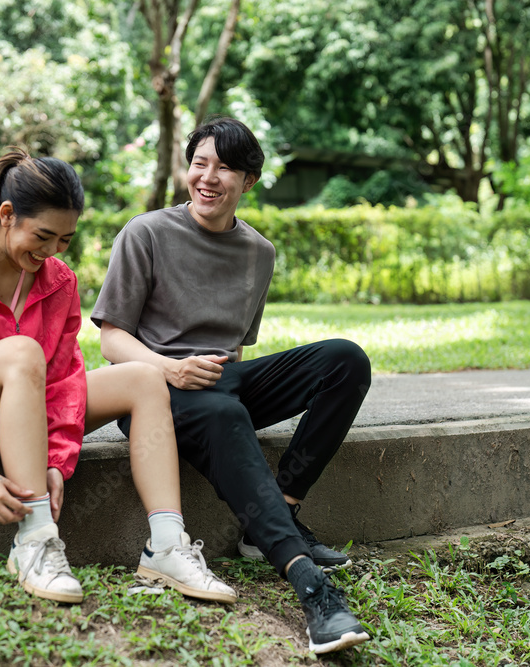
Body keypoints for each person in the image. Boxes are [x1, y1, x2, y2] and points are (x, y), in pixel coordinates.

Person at [0, 147, 235, 606]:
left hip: (15, 414)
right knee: (24, 353)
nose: (51, 251)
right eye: (43, 236)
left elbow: (63, 384)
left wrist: (56, 459)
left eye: (64, 239)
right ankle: (35, 540)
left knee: (144, 378)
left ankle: (166, 545)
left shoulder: (58, 281)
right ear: (7, 215)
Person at [90, 117, 372, 653]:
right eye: (200, 163)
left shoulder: (259, 252)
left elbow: (236, 348)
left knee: (345, 360)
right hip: (154, 391)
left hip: (220, 383)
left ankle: (281, 507)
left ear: (249, 181)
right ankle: (311, 586)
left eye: (224, 168)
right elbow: (111, 339)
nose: (208, 177)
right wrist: (169, 369)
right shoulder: (145, 233)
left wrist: (219, 383)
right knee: (223, 413)